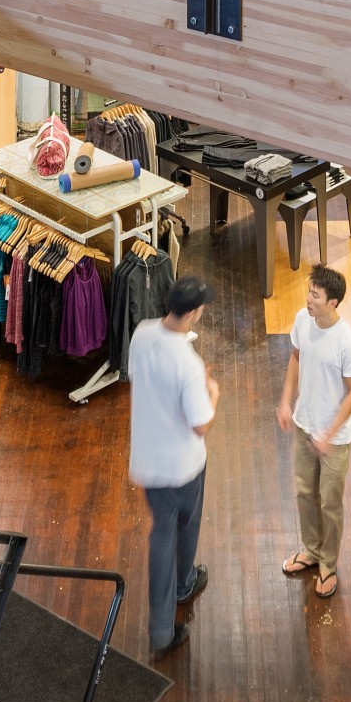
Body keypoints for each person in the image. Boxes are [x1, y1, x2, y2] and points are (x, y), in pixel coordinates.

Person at [129, 273, 218, 655]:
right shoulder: (188, 362)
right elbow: (200, 424)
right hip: (184, 465)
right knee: (185, 525)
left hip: (149, 460)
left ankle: (166, 619)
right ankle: (180, 592)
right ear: (194, 313)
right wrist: (211, 393)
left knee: (163, 530)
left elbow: (139, 377)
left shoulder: (142, 333)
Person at [277, 263, 351, 598]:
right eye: (309, 292)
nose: (308, 299)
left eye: (315, 295)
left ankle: (328, 563)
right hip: (304, 424)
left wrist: (329, 433)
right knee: (303, 491)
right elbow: (296, 358)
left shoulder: (347, 343)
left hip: (336, 439)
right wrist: (286, 401)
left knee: (330, 501)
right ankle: (312, 550)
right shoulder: (303, 320)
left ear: (334, 303)